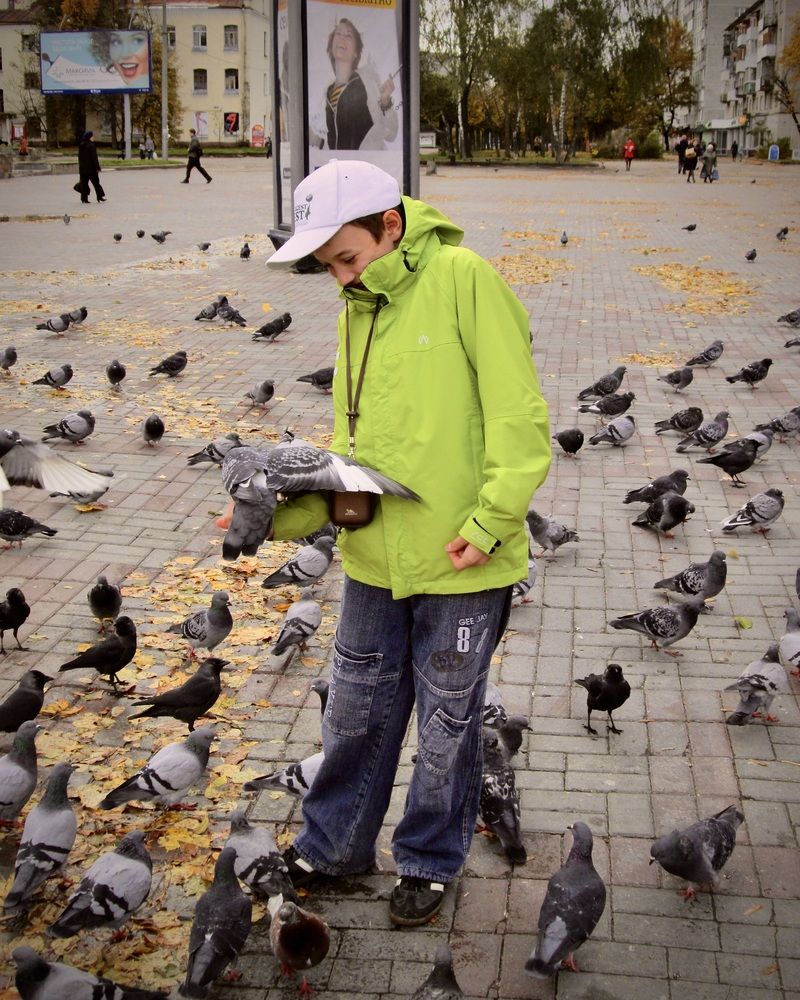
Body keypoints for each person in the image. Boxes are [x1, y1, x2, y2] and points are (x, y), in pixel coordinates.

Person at [265, 160, 551, 926]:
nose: (339, 280)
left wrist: (490, 522)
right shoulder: (358, 302)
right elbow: (350, 443)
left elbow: (519, 417)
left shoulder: (464, 279)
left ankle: (427, 859)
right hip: (372, 557)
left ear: (390, 226)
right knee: (354, 711)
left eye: (347, 259)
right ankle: (334, 847)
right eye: (327, 267)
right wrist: (280, 513)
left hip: (464, 558)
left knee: (449, 725)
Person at [312, 18, 398, 150]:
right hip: (341, 168)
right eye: (338, 34)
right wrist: (315, 139)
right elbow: (333, 144)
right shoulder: (327, 91)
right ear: (331, 45)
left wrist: (385, 101)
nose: (342, 38)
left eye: (348, 35)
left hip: (364, 166)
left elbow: (390, 133)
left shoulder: (367, 84)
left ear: (356, 52)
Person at [77, 131, 105, 203]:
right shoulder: (91, 145)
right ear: (90, 137)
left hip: (83, 169)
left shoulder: (81, 145)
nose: (93, 137)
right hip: (91, 169)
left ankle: (84, 199)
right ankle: (100, 196)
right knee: (96, 183)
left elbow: (80, 157)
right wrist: (97, 168)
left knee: (84, 184)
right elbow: (94, 158)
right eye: (92, 136)